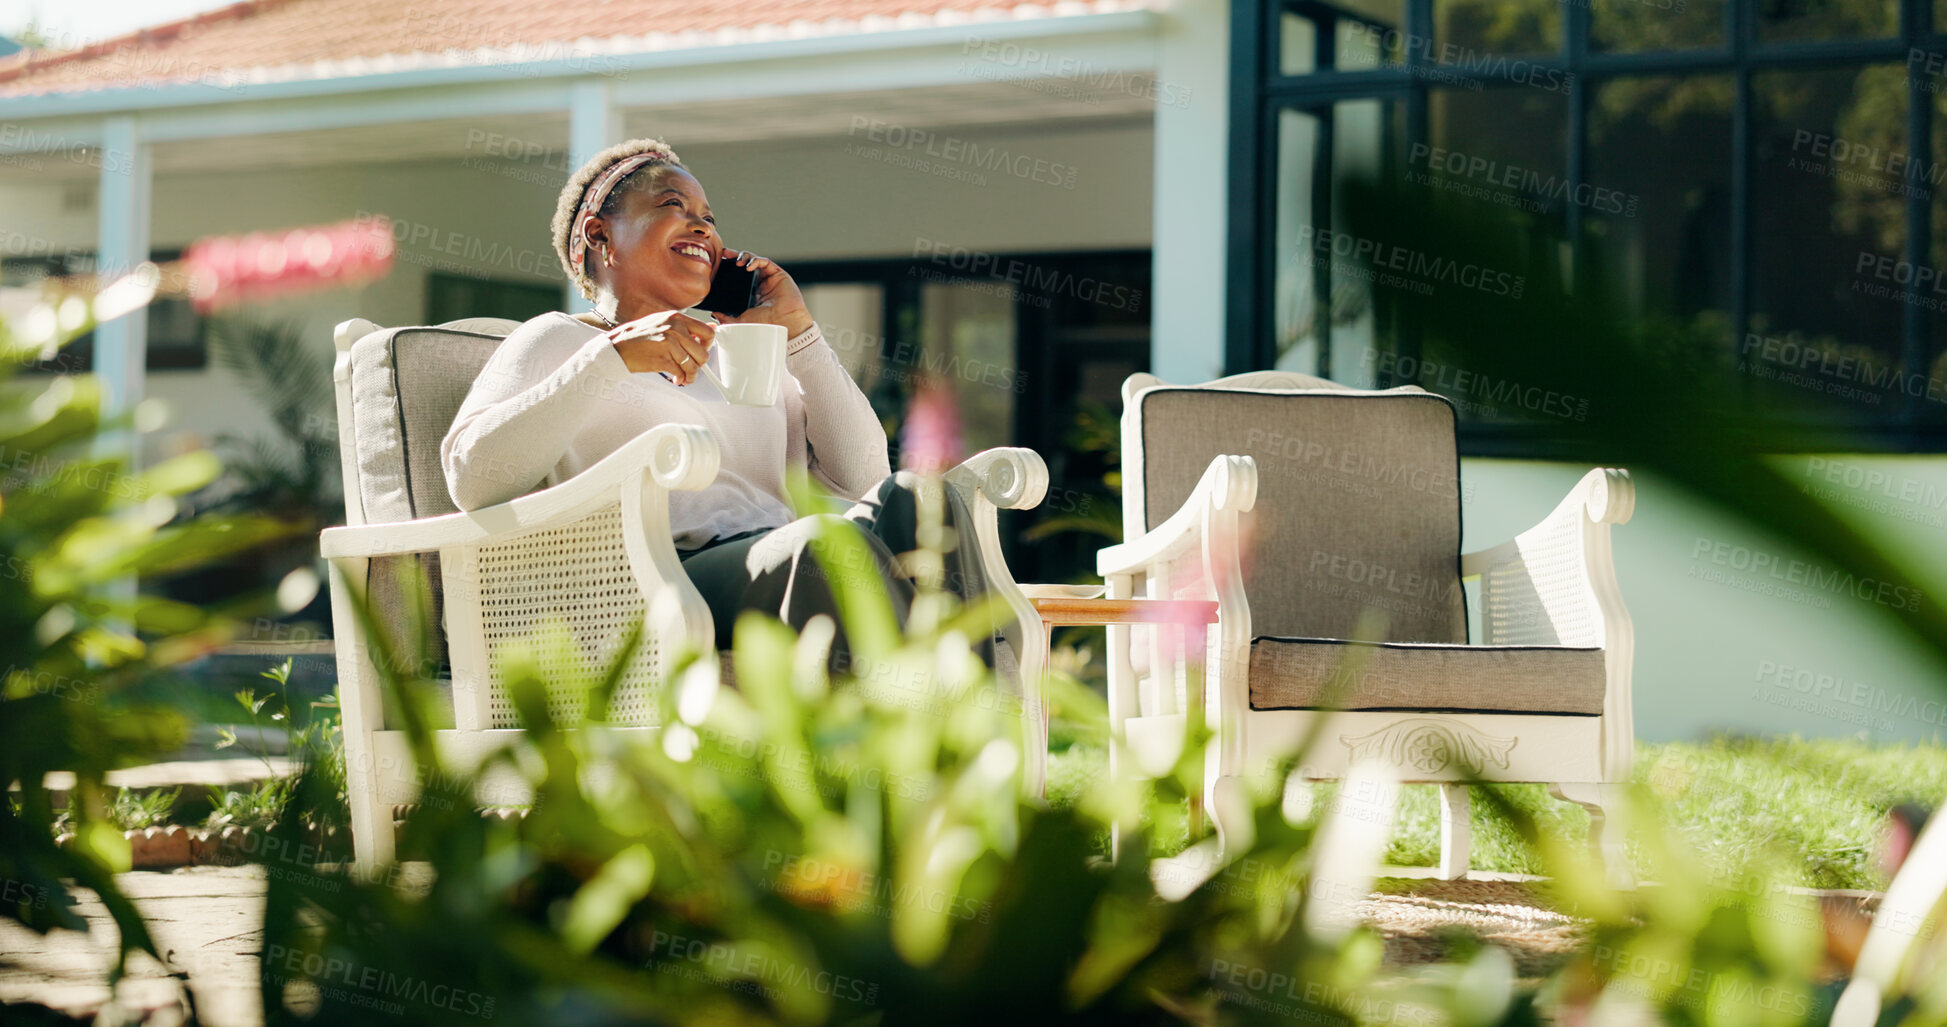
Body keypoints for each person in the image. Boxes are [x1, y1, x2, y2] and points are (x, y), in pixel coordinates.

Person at [441, 137, 982, 663]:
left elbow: (864, 480)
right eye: (671, 206)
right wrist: (612, 357)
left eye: (709, 217)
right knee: (822, 545)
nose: (701, 225)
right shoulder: (560, 339)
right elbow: (473, 477)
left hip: (780, 551)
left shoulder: (740, 352)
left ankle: (968, 728)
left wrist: (800, 335)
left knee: (921, 499)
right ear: (600, 235)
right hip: (657, 577)